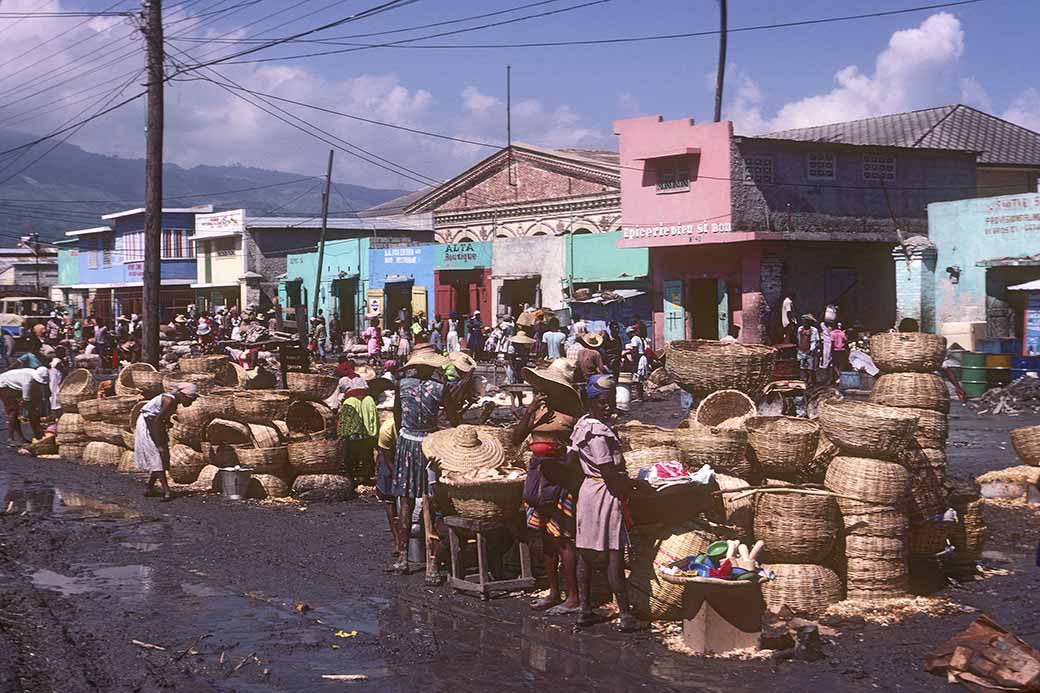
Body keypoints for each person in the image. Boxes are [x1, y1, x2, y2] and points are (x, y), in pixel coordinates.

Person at [515, 358, 583, 616]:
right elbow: (516, 437)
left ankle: (572, 596)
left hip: (561, 477)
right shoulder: (538, 410)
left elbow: (578, 449)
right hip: (537, 475)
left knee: (563, 539)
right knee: (544, 538)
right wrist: (530, 411)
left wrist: (562, 455)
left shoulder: (572, 414)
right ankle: (553, 592)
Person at [570, 375, 639, 633]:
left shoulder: (584, 424)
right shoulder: (596, 431)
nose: (607, 406)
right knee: (613, 553)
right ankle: (625, 613)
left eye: (610, 401)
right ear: (591, 401)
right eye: (602, 401)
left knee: (586, 551)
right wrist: (634, 487)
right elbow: (608, 469)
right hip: (604, 491)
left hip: (590, 490)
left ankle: (585, 611)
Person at [390, 343, 454, 573]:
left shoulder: (402, 385)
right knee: (430, 500)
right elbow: (452, 417)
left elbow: (397, 416)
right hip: (429, 444)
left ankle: (403, 557)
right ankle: (432, 564)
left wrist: (406, 434)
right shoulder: (440, 387)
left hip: (407, 442)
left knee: (405, 501)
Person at [134, 382, 199, 501]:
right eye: (190, 399)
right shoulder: (168, 401)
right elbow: (156, 421)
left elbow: (161, 417)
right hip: (148, 425)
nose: (191, 402)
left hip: (154, 424)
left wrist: (167, 422)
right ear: (182, 395)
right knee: (157, 455)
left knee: (162, 456)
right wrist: (159, 443)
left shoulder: (173, 402)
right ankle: (167, 491)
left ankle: (149, 488)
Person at [337, 366, 379, 483]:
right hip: (366, 401)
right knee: (367, 445)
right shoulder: (362, 381)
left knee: (351, 445)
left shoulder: (343, 381)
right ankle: (366, 475)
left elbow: (338, 397)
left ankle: (351, 475)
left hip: (351, 403)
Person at [0, 366, 48, 443]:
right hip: (4, 385)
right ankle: (11, 438)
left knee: (32, 410)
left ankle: (34, 435)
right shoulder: (28, 381)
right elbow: (26, 400)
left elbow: (37, 397)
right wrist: (32, 413)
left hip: (15, 386)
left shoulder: (34, 378)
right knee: (13, 411)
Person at [375, 413, 401, 553]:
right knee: (390, 497)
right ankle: (397, 540)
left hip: (407, 451)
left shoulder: (414, 425)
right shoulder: (387, 429)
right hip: (389, 456)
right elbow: (386, 455)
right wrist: (395, 474)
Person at [506, 330, 536, 409]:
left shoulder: (524, 348)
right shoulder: (512, 347)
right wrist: (514, 369)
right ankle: (514, 403)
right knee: (513, 385)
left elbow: (525, 359)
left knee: (520, 384)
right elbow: (510, 359)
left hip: (520, 367)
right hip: (513, 367)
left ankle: (520, 402)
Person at [796, 315, 820, 385]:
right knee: (802, 367)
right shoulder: (800, 329)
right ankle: (805, 380)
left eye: (807, 321)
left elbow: (815, 341)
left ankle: (813, 382)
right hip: (801, 350)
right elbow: (798, 339)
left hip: (810, 351)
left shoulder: (814, 330)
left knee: (811, 368)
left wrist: (811, 350)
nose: (805, 323)